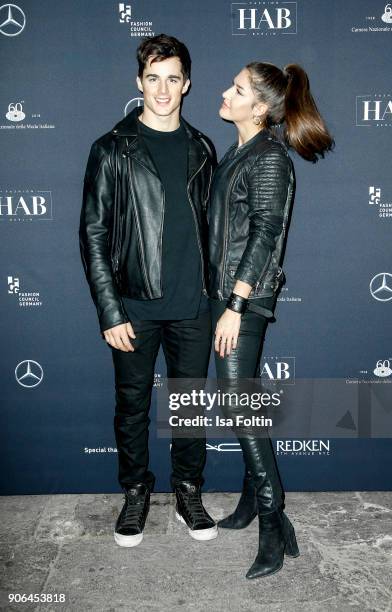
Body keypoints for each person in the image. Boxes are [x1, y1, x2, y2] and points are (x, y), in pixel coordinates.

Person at [79, 34, 218, 548]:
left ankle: (187, 493)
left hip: (193, 306)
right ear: (139, 83)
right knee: (132, 405)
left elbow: (216, 231)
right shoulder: (111, 148)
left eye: (173, 79)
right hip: (133, 306)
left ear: (187, 84)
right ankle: (136, 492)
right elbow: (92, 234)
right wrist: (109, 310)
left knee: (189, 405)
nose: (163, 89)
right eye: (153, 78)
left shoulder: (203, 147)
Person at [208, 62, 334, 578]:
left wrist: (236, 305)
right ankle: (248, 502)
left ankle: (272, 522)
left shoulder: (269, 160)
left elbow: (265, 233)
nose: (225, 92)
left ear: (259, 108)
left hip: (243, 299)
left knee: (238, 404)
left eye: (236, 90)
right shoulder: (238, 153)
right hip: (222, 295)